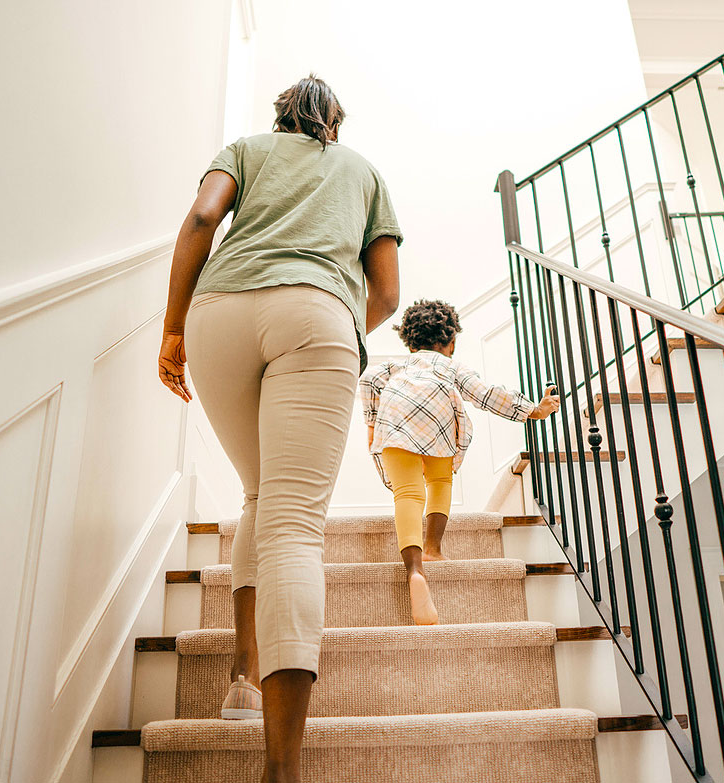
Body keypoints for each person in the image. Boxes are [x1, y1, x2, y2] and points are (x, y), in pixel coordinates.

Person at [157, 74, 401, 783]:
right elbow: (385, 292)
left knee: (261, 497)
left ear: (280, 116)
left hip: (218, 314)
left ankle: (241, 675)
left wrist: (173, 327)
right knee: (294, 521)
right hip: (317, 315)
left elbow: (202, 219)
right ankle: (281, 768)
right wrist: (330, 315)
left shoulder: (243, 149)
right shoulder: (362, 173)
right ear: (334, 122)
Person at [359, 300, 559, 625]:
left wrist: (371, 423)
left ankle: (414, 571)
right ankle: (433, 548)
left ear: (409, 341)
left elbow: (368, 381)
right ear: (451, 342)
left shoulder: (394, 367)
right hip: (437, 421)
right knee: (439, 481)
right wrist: (533, 409)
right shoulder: (450, 367)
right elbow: (486, 393)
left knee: (407, 494)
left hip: (394, 423)